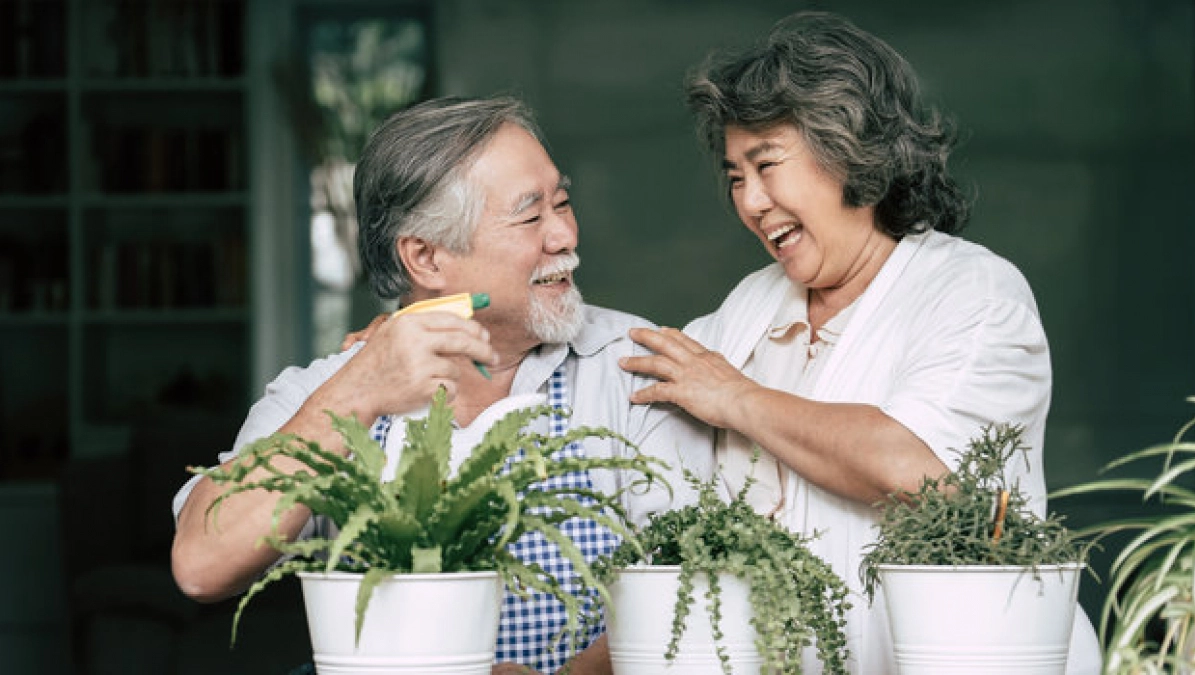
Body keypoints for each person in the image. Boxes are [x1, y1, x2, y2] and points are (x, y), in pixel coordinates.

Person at [615, 10, 1101, 675]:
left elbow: (919, 471)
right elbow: (671, 550)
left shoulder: (972, 292)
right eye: (735, 177)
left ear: (850, 149)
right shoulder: (746, 312)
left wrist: (738, 397)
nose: (751, 201)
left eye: (767, 165)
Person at [170, 95, 712, 675]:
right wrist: (357, 394)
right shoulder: (325, 392)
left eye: (563, 201)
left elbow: (695, 585)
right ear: (426, 258)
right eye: (531, 216)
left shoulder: (634, 362)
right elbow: (202, 566)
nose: (565, 236)